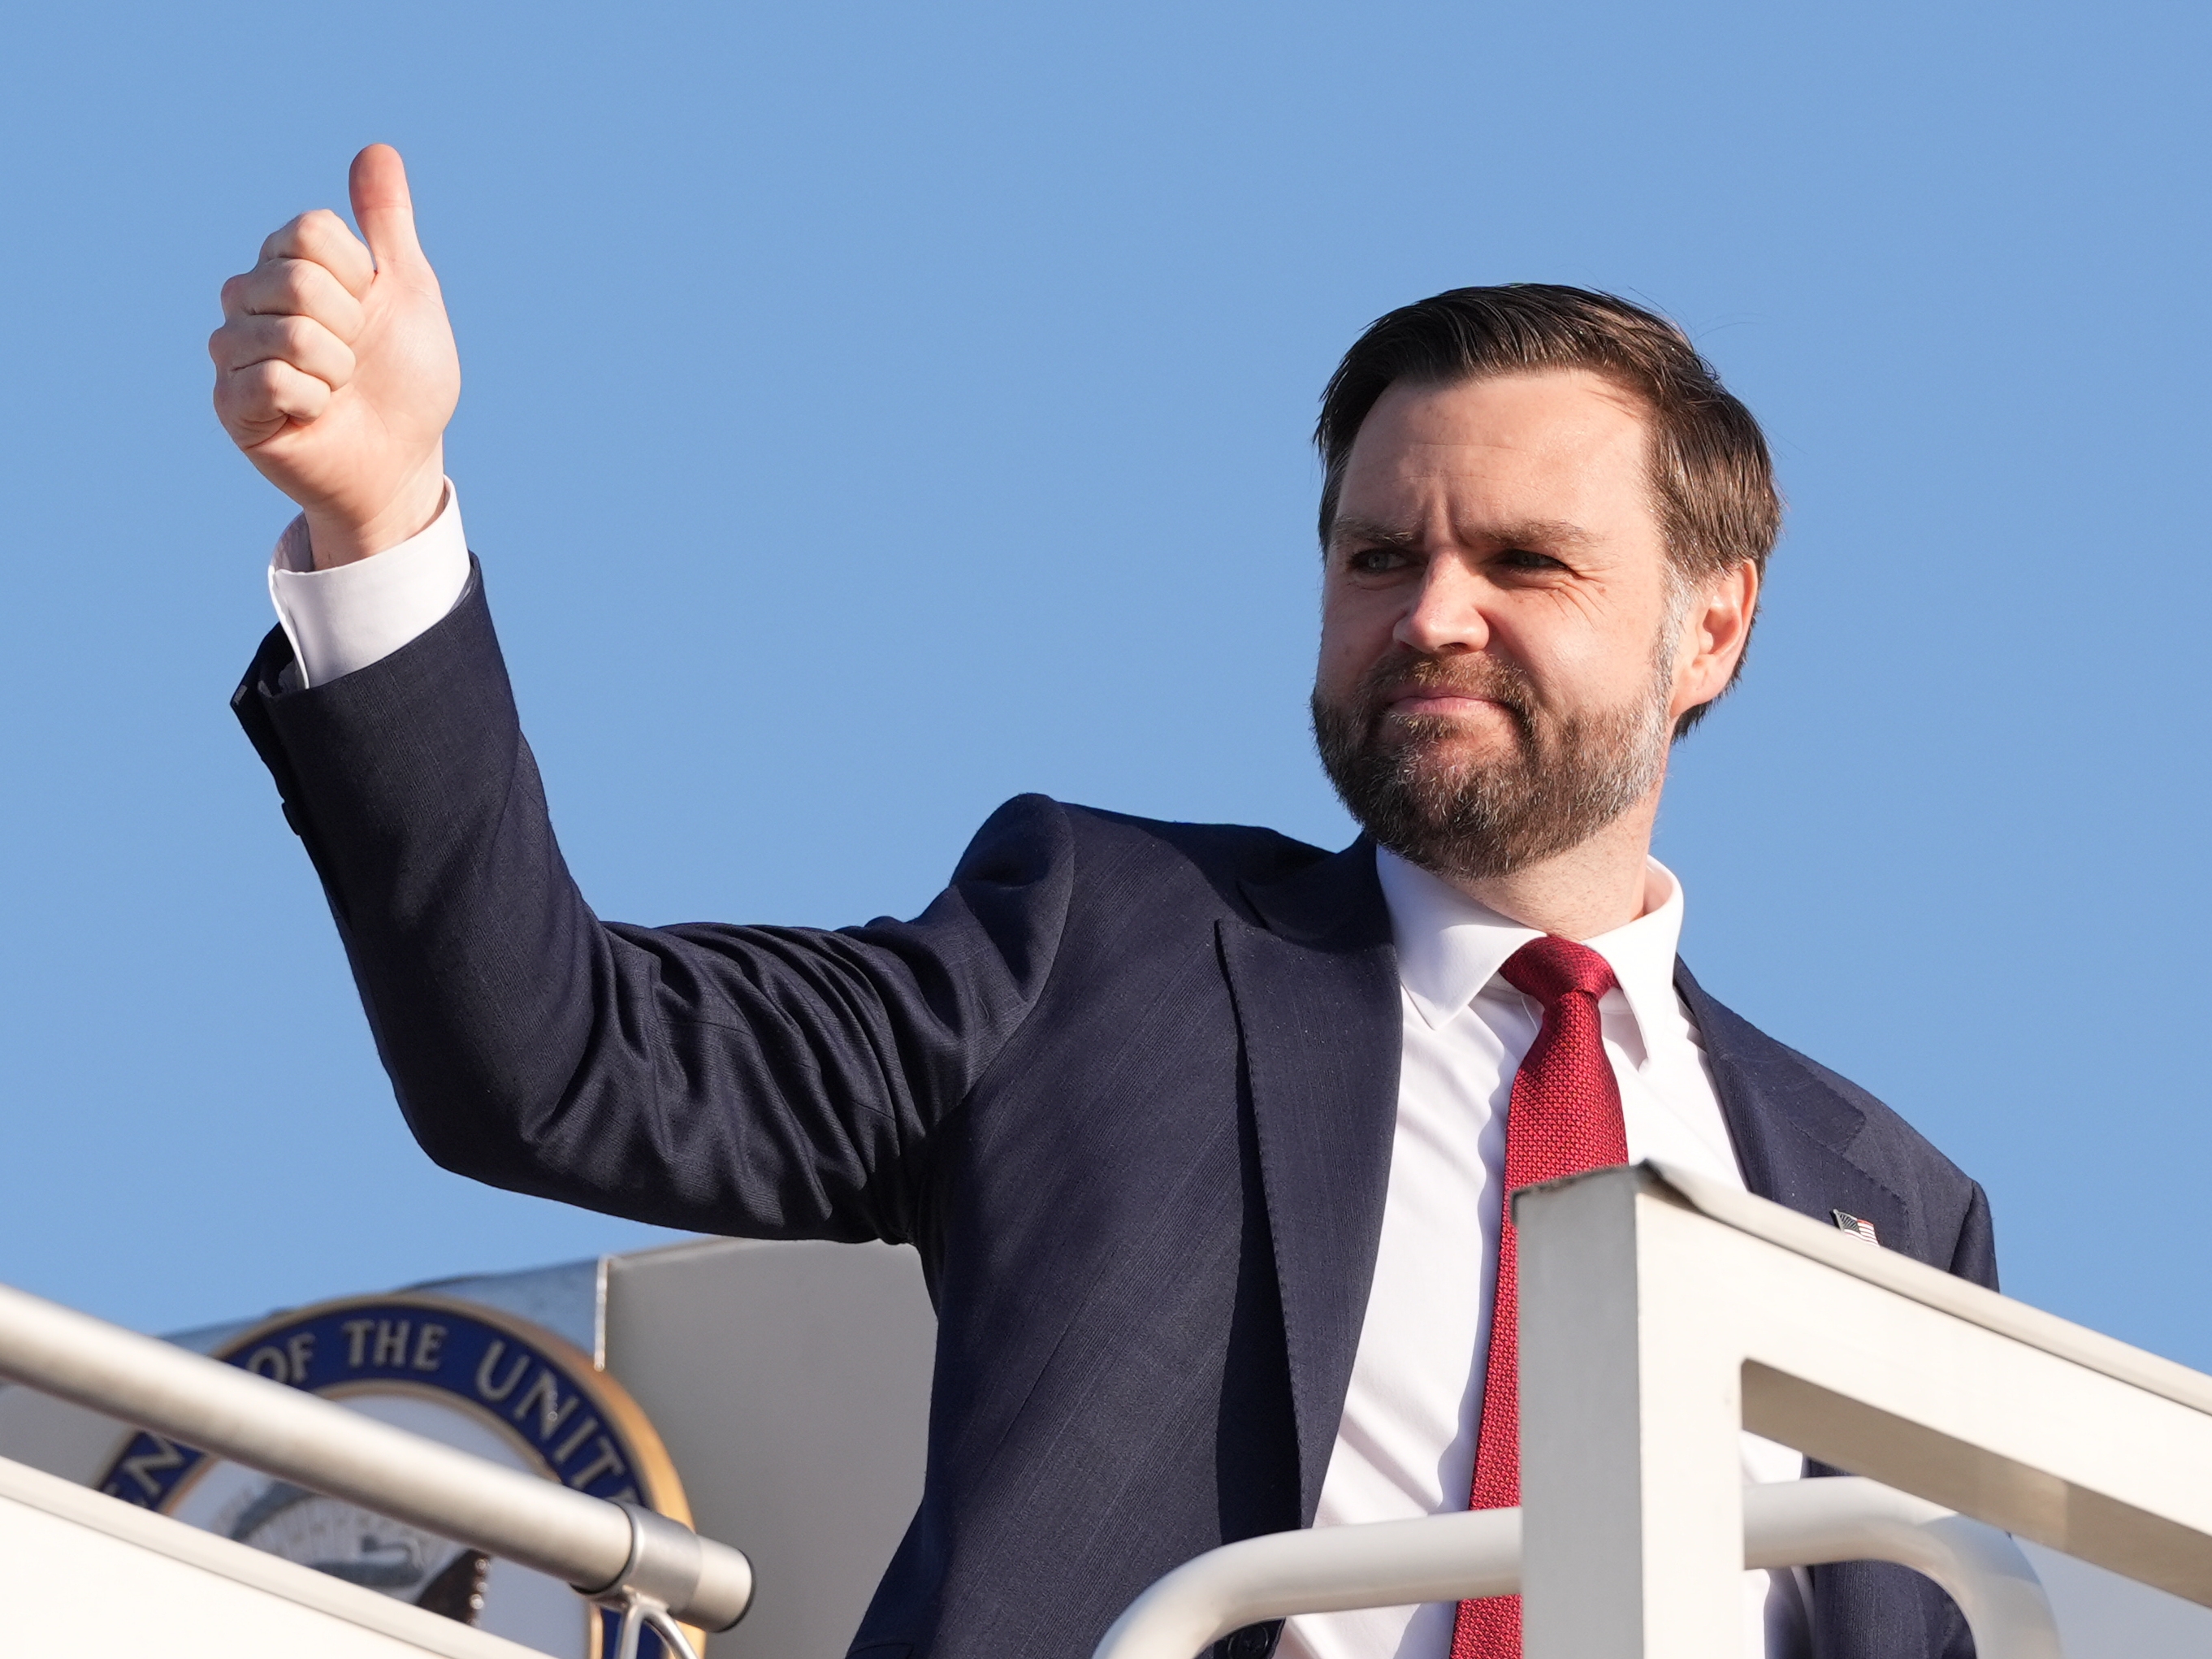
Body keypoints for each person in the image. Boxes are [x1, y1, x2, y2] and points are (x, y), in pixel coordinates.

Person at [212, 145, 1993, 1659]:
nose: (1433, 612)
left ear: (1714, 624)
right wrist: (380, 522)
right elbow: (551, 1057)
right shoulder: (1097, 944)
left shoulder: (1887, 1210)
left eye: (1525, 559)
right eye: (1380, 556)